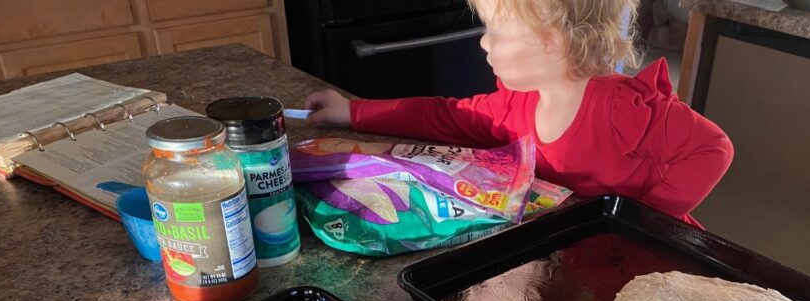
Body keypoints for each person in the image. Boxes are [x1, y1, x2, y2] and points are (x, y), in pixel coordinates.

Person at [304, 0, 733, 227]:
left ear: (551, 43)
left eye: (497, 31)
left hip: (649, 258)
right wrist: (353, 111)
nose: (484, 44)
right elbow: (443, 117)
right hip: (574, 254)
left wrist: (640, 219)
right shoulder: (514, 105)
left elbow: (714, 148)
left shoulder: (621, 109)